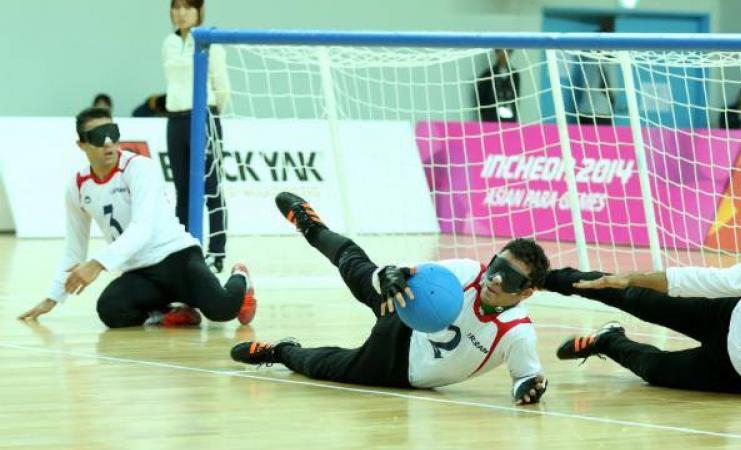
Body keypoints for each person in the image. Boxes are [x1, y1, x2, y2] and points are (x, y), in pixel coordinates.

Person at [230, 192, 549, 406]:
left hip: (397, 370)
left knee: (319, 366)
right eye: (497, 267)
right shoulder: (467, 272)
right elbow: (410, 274)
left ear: (526, 292)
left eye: (509, 277)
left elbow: (524, 378)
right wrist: (390, 276)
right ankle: (311, 226)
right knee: (359, 269)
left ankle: (282, 351)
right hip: (404, 314)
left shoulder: (518, 333)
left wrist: (527, 390)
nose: (494, 278)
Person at [18, 107, 256, 328]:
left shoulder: (139, 168)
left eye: (112, 132)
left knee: (223, 310)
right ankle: (167, 313)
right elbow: (74, 251)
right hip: (140, 272)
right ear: (82, 145)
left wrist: (97, 264)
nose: (109, 142)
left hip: (178, 258)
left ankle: (241, 278)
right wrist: (52, 298)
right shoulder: (78, 186)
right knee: (110, 310)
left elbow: (142, 229)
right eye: (99, 136)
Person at [546, 252, 741, 395]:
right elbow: (701, 279)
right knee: (634, 295)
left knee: (652, 370)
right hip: (722, 317)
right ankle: (545, 279)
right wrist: (631, 279)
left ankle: (608, 340)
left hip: (740, 380)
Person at [163, 0, 230, 273]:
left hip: (204, 117)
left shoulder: (210, 41)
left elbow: (222, 86)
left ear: (199, 11)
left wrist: (211, 116)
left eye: (188, 8)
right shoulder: (168, 42)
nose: (181, 13)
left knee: (211, 187)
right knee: (183, 190)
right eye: (176, 7)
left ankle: (217, 252)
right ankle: (185, 250)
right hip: (175, 119)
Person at [475, 49, 520, 123]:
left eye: (507, 52)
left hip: (510, 120)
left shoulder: (515, 75)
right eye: (501, 51)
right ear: (496, 53)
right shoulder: (487, 75)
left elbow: (516, 98)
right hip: (491, 120)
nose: (504, 55)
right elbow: (481, 99)